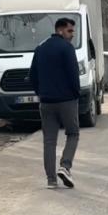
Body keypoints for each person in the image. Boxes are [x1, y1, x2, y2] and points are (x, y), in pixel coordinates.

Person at [29, 17, 80, 189]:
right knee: (73, 133)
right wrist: (76, 94)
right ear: (60, 30)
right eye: (70, 31)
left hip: (46, 102)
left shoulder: (40, 48)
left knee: (49, 141)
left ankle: (51, 180)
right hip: (67, 101)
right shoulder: (67, 48)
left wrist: (41, 93)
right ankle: (65, 166)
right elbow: (73, 74)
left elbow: (32, 75)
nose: (72, 34)